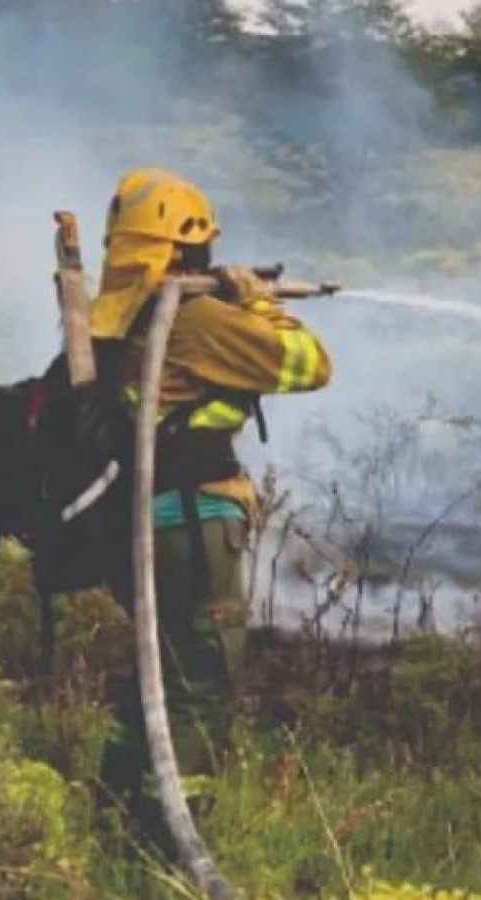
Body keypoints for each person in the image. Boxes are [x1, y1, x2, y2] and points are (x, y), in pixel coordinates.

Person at [88, 167, 333, 849]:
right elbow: (307, 364)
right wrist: (257, 304)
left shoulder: (113, 314)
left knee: (156, 668)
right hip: (193, 527)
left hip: (136, 525)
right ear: (184, 249)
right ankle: (176, 838)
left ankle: (115, 810)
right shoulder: (192, 319)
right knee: (200, 677)